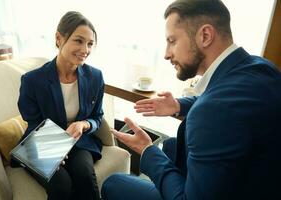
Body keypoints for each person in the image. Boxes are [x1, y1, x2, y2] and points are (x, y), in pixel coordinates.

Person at [101, 0, 281, 199]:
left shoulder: (211, 112)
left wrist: (147, 150)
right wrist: (179, 105)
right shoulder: (261, 67)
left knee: (114, 183)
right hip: (261, 178)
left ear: (205, 36)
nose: (166, 54)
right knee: (171, 144)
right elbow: (227, 102)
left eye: (172, 41)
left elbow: (216, 109)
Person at [13, 11, 104, 200]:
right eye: (78, 41)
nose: (85, 49)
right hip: (41, 143)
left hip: (78, 142)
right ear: (58, 38)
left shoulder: (96, 77)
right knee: (62, 185)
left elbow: (97, 117)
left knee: (85, 176)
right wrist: (52, 149)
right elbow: (33, 123)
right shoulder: (32, 80)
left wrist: (84, 124)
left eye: (90, 44)